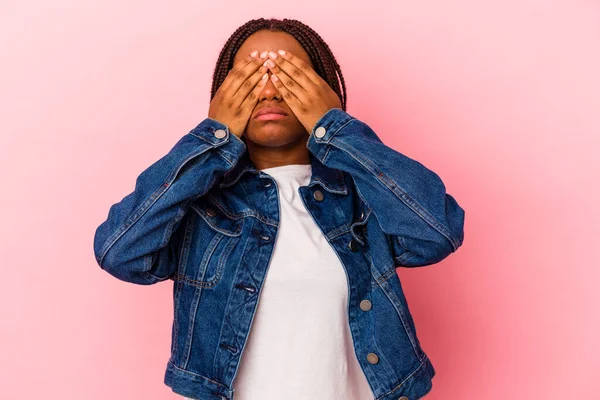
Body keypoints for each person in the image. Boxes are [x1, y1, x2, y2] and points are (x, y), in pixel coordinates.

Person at [93, 17, 465, 400]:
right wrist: (212, 140)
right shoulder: (203, 204)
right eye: (250, 76)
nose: (269, 91)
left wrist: (335, 128)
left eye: (288, 73)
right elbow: (120, 252)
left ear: (322, 90)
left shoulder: (362, 195)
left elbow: (437, 232)